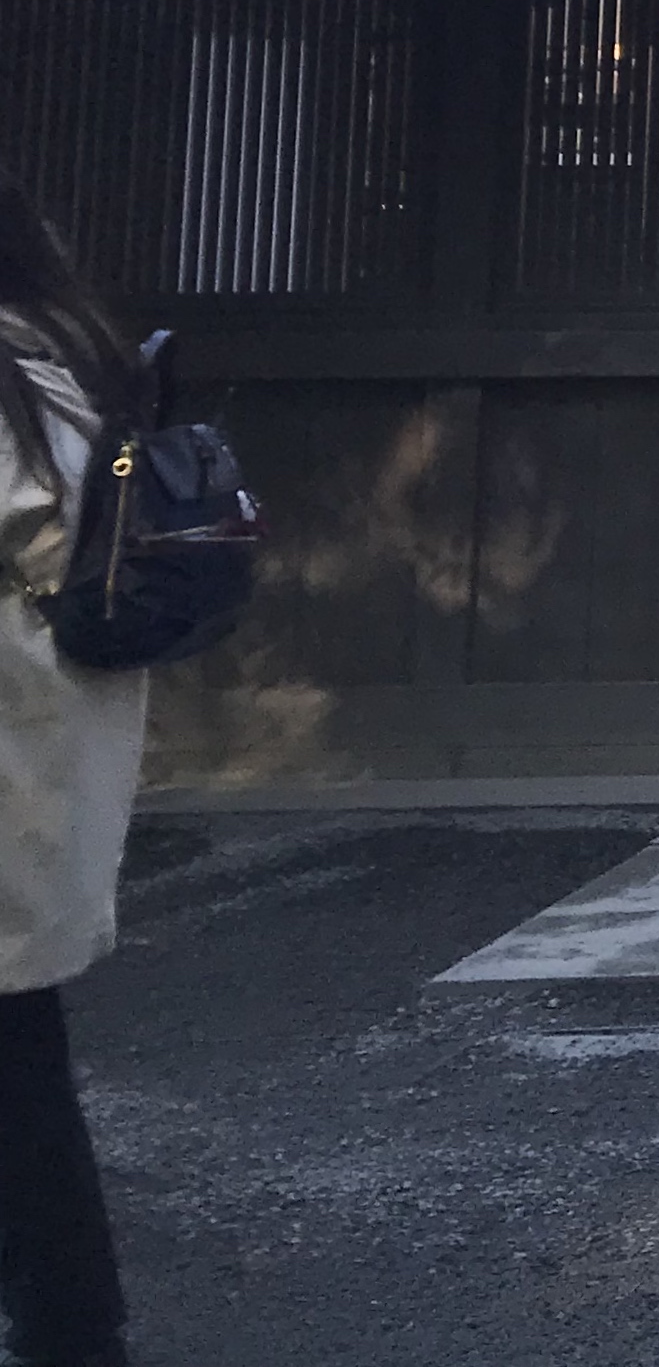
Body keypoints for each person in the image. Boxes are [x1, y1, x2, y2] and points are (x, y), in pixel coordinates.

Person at [0, 175, 141, 1367]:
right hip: (50, 718)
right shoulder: (70, 354)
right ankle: (70, 1322)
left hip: (13, 721)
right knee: (22, 1045)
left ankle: (68, 1325)